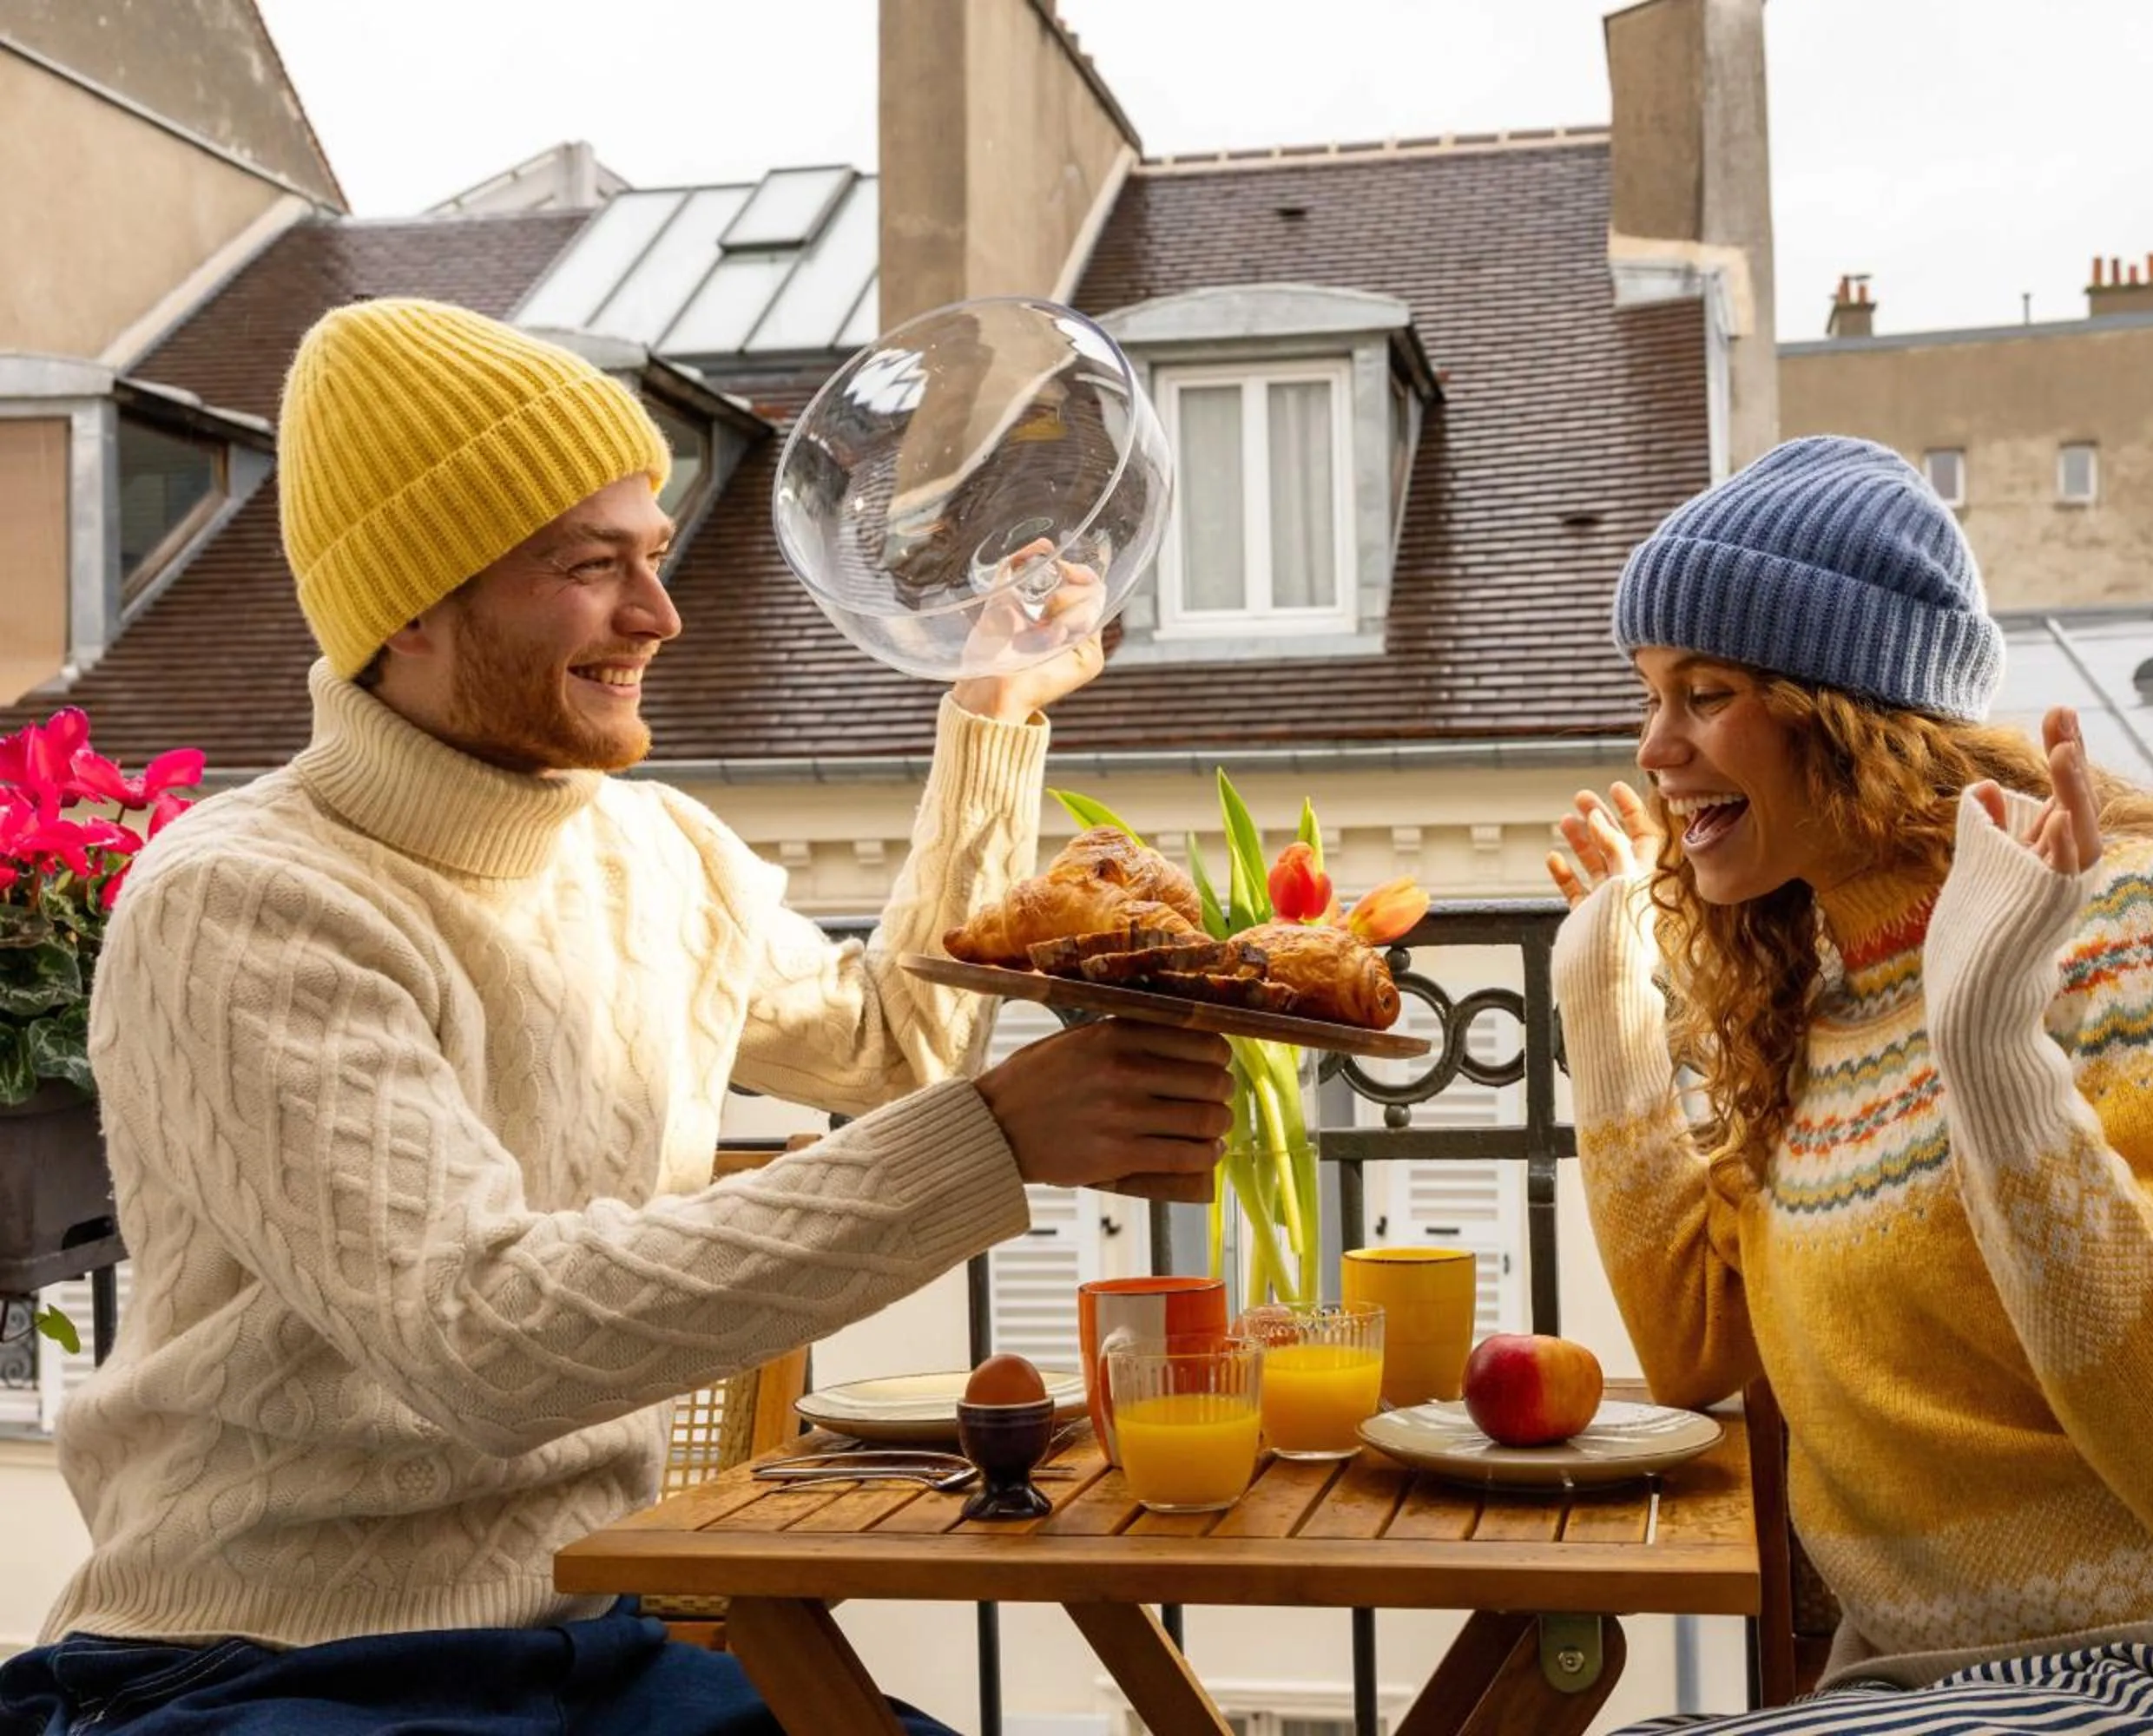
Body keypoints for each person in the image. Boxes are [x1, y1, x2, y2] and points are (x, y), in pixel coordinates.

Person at [0, 300, 1232, 1736]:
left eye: (652, 556)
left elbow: (898, 1052)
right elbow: (478, 1337)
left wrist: (995, 716)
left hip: (591, 1647)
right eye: (594, 569)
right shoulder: (243, 900)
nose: (659, 614)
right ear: (411, 603)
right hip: (255, 1667)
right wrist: (998, 1142)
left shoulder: (660, 857)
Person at [1543, 436, 2153, 1736]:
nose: (1655, 745)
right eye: (1650, 695)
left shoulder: (2134, 926)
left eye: (1704, 692)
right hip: (1928, 1699)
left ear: (1842, 708)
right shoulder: (1815, 1004)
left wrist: (1995, 1059)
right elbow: (1693, 1353)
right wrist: (1609, 991)